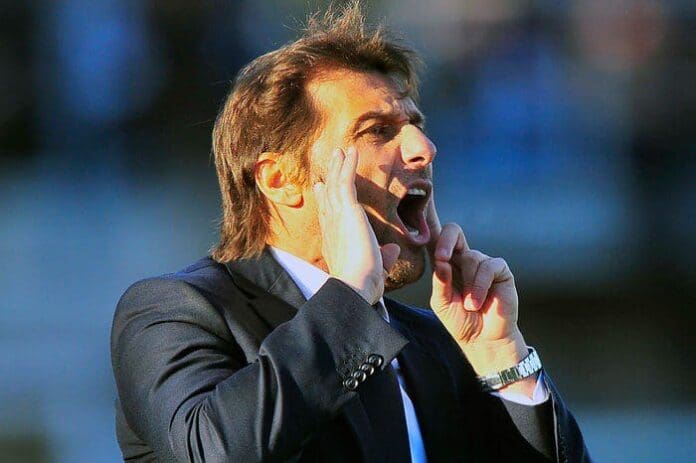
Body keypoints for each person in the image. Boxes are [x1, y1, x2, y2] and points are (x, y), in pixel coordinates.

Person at [111, 3, 590, 462]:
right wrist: (350, 298)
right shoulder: (176, 313)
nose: (424, 147)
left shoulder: (438, 344)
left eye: (415, 125)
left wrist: (502, 360)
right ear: (280, 180)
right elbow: (214, 452)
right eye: (377, 130)